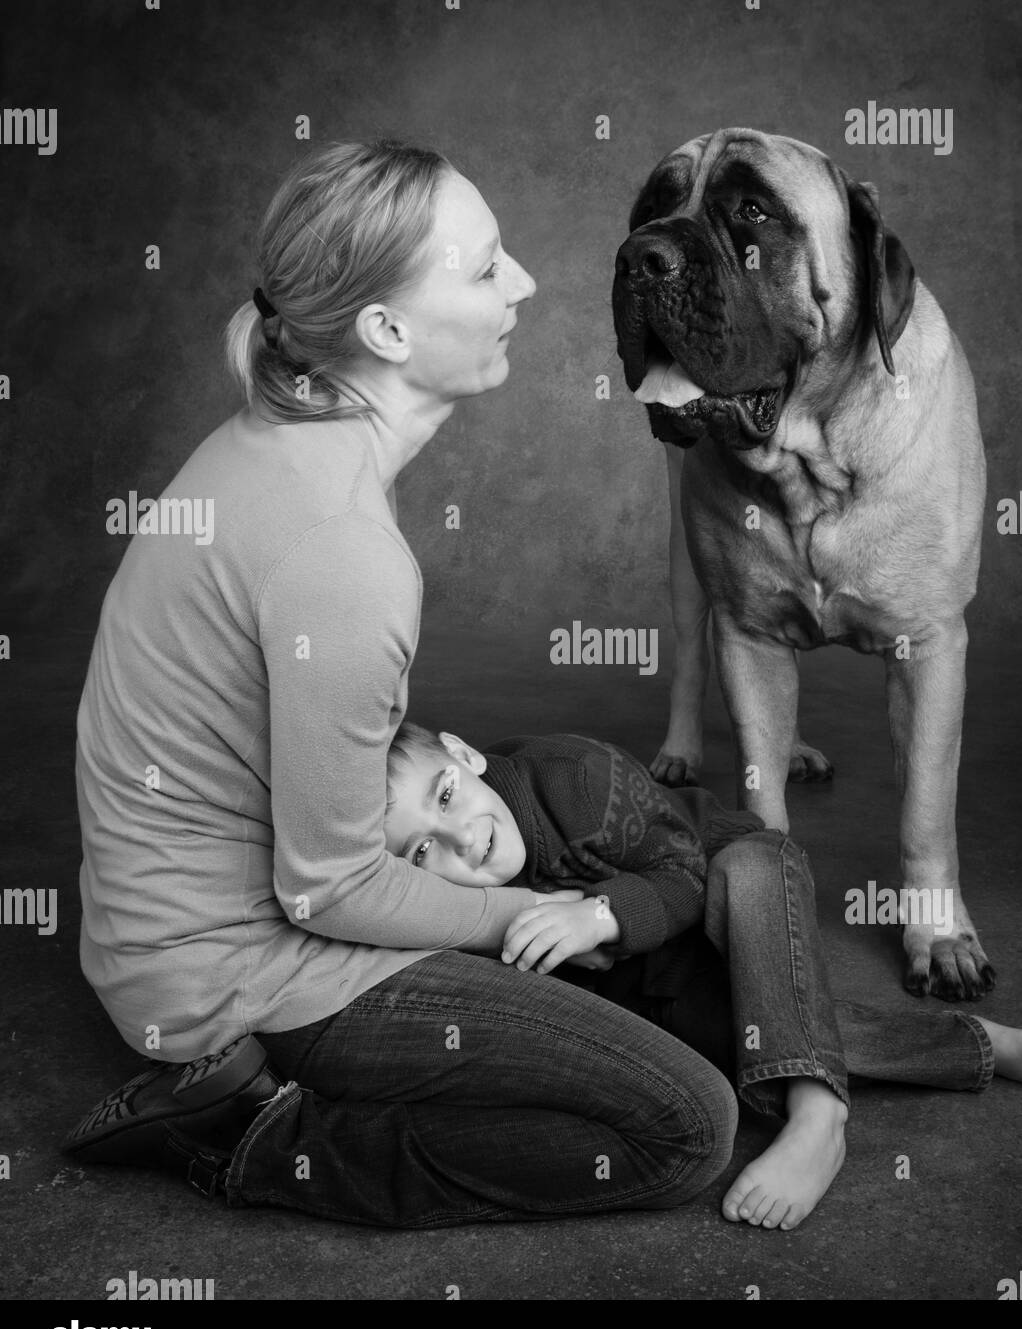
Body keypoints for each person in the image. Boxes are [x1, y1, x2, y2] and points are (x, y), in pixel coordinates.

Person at [64, 139, 740, 1228]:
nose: (521, 284)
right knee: (683, 1125)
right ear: (385, 332)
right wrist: (540, 913)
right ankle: (250, 1133)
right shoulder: (343, 552)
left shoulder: (274, 447)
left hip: (177, 933)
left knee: (593, 886)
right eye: (483, 270)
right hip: (235, 984)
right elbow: (326, 891)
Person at [380, 723, 1022, 1231]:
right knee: (739, 1038)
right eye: (420, 852)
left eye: (446, 798)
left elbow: (680, 874)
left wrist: (598, 914)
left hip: (727, 884)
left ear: (464, 755)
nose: (460, 839)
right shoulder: (447, 902)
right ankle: (967, 1045)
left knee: (746, 876)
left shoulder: (573, 780)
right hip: (651, 965)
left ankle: (817, 1114)